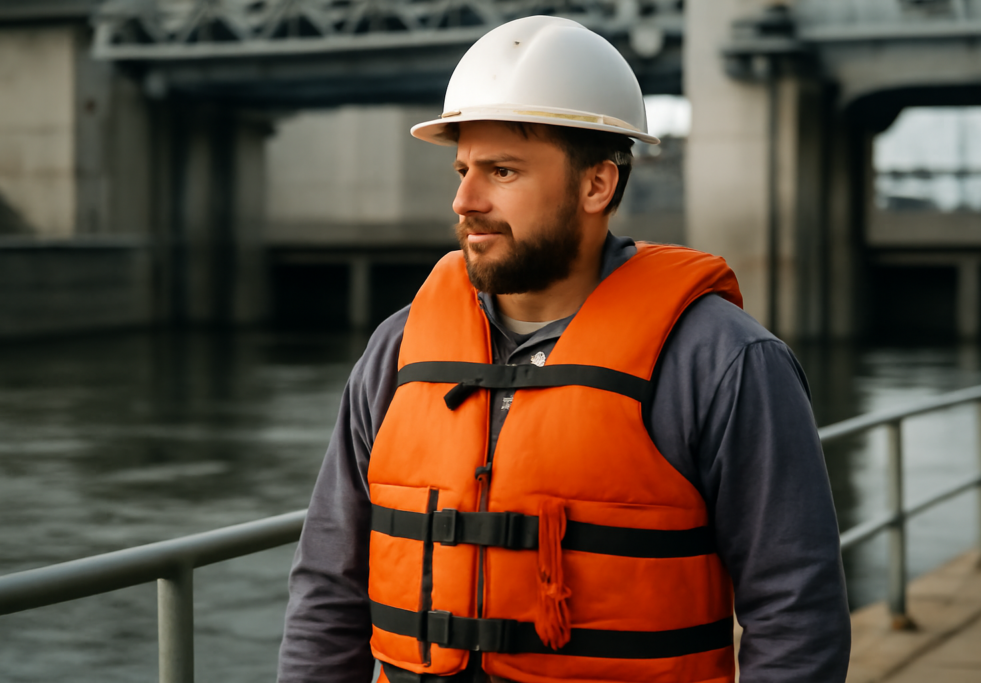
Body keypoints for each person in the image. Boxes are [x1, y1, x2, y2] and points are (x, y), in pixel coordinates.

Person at [278, 15, 850, 683]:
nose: (465, 199)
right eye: (463, 169)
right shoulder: (397, 351)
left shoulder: (724, 362)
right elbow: (327, 592)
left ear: (596, 185)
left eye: (502, 170)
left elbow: (796, 614)